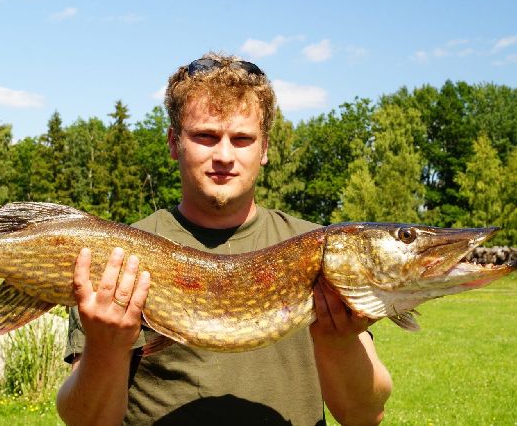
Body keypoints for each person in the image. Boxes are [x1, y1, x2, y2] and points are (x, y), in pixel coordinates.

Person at [56, 53, 392, 425]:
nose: (224, 156)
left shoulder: (322, 250)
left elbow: (365, 415)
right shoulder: (118, 255)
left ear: (264, 148)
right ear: (173, 143)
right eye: (206, 136)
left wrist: (341, 342)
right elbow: (85, 422)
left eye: (243, 139)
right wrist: (105, 348)